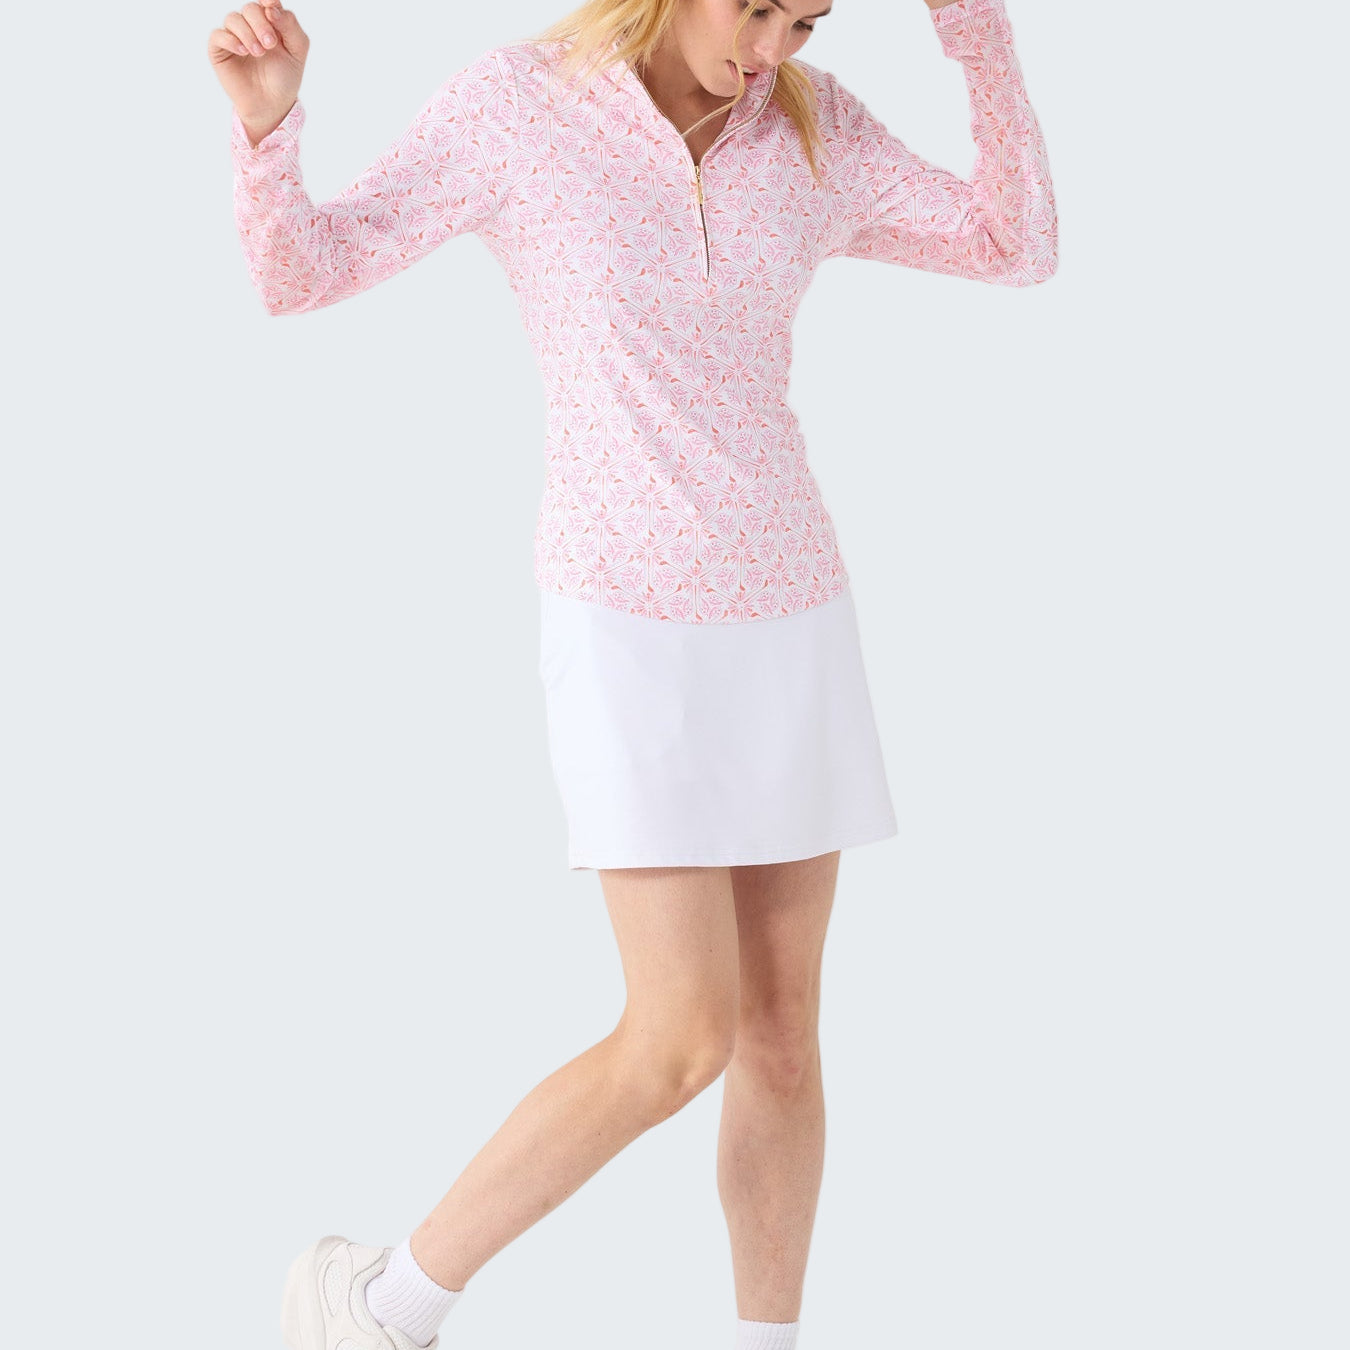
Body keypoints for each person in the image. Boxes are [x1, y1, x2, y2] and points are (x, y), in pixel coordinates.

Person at [210, 0, 1057, 1345]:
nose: (775, 45)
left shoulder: (813, 121)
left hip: (792, 612)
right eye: (759, 8)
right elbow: (305, 272)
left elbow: (1013, 246)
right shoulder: (517, 107)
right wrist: (270, 133)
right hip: (624, 622)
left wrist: (977, 37)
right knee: (678, 1038)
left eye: (810, 15)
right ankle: (383, 1297)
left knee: (781, 1036)